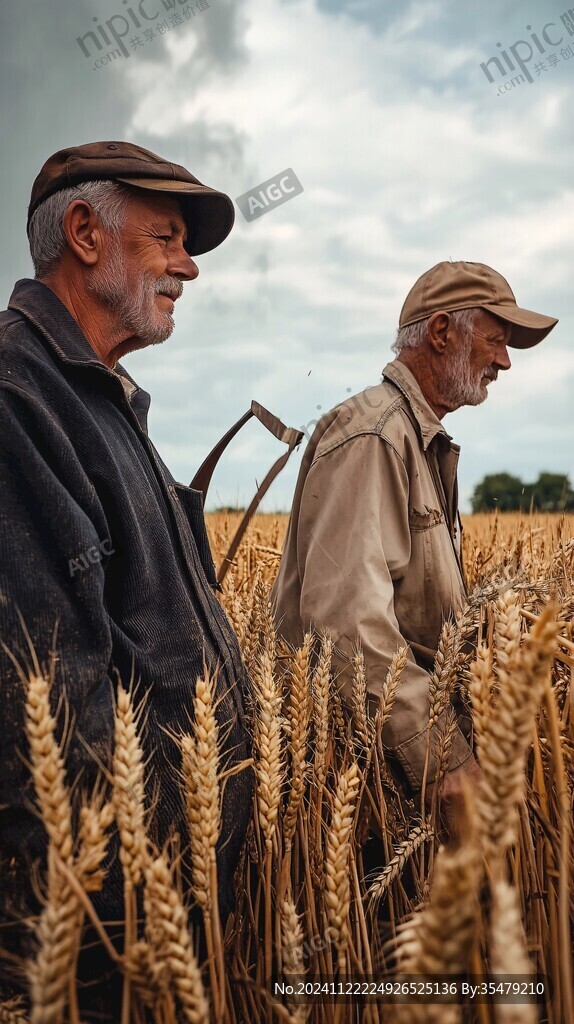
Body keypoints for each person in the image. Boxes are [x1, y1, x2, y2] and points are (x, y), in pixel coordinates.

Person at [0, 142, 253, 1008]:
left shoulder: (102, 398)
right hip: (108, 935)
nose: (188, 266)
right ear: (84, 234)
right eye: (167, 238)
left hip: (165, 909)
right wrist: (109, 949)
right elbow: (51, 706)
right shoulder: (17, 399)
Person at [271, 261, 558, 831]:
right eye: (496, 340)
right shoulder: (374, 437)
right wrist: (445, 758)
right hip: (364, 793)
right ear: (442, 332)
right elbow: (347, 626)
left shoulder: (414, 438)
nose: (504, 362)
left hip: (390, 778)